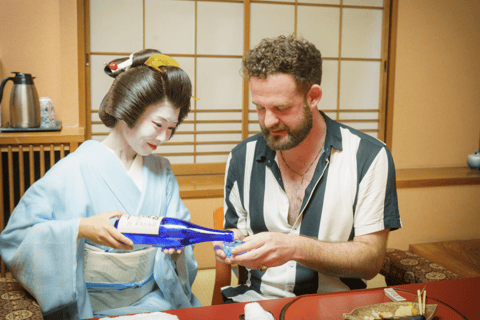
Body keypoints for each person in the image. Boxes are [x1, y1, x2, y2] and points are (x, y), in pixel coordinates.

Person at [0, 49, 201, 319]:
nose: (164, 137)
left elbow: (181, 243)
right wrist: (79, 229)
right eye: (158, 124)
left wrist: (176, 249)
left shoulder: (161, 171)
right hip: (91, 310)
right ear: (127, 110)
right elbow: (16, 239)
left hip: (155, 303)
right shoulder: (73, 169)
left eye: (171, 128)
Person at [213, 35, 402, 303]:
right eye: (259, 108)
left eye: (281, 107)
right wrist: (231, 244)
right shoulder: (241, 158)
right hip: (255, 301)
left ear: (313, 97)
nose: (268, 121)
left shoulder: (369, 157)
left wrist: (294, 248)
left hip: (337, 305)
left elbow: (370, 261)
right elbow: (236, 236)